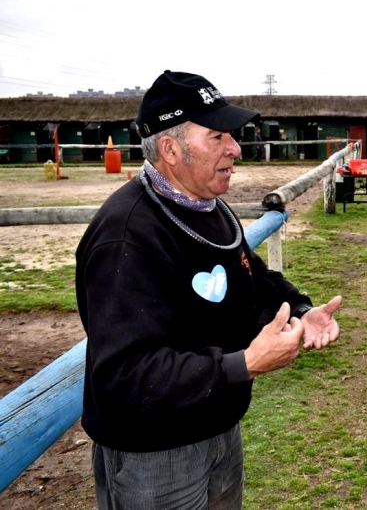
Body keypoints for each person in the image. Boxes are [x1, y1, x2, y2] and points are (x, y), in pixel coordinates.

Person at [75, 70, 342, 510]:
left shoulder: (207, 207)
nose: (235, 148)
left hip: (219, 429)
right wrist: (244, 365)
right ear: (170, 149)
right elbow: (125, 375)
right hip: (154, 455)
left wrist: (299, 309)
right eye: (216, 136)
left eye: (231, 135)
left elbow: (250, 277)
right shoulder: (127, 236)